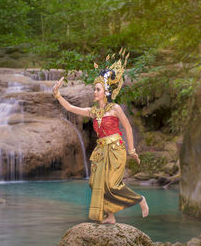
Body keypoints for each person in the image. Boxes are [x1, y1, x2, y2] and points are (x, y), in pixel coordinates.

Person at [51, 56, 149, 224]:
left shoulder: (115, 108)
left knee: (112, 184)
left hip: (116, 149)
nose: (94, 92)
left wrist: (131, 150)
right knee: (95, 183)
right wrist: (57, 94)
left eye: (97, 89)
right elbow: (70, 108)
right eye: (94, 89)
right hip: (101, 151)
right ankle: (110, 216)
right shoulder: (93, 111)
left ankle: (140, 199)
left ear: (106, 91)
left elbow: (128, 128)